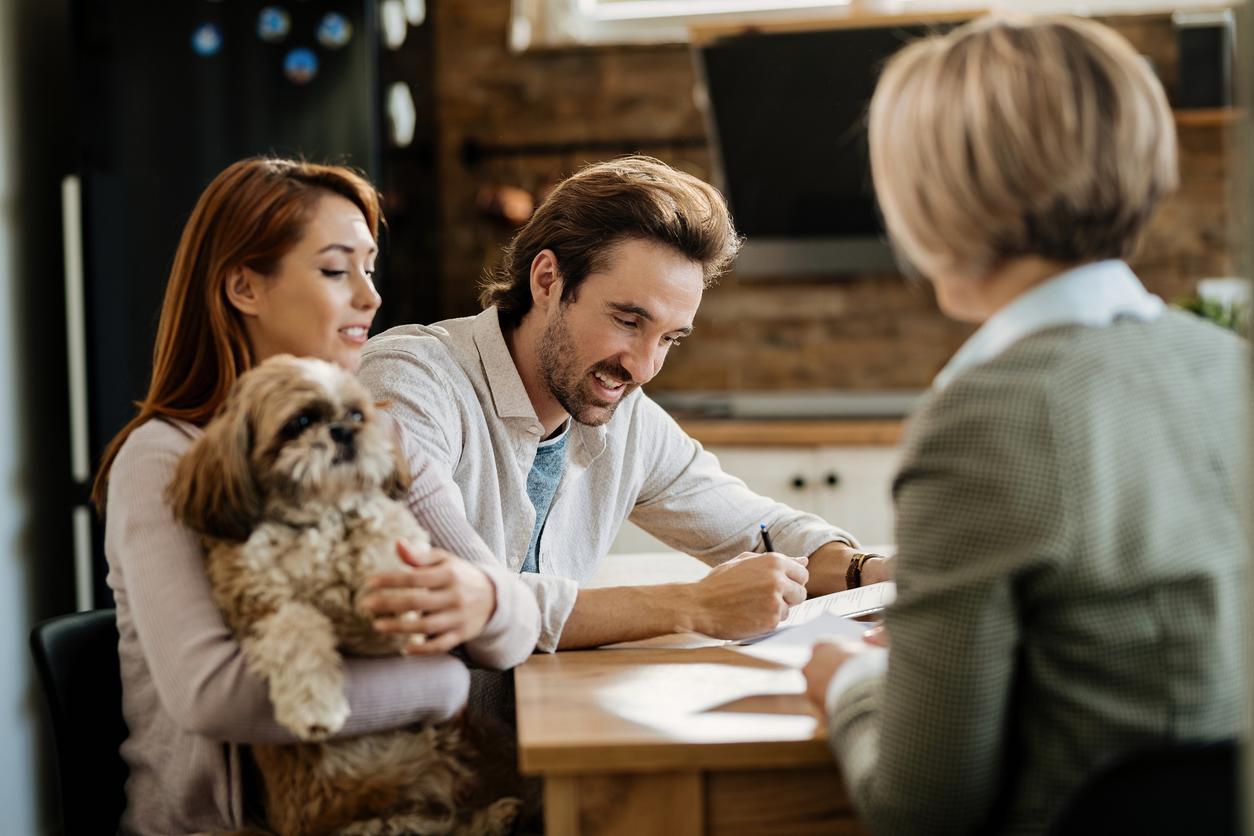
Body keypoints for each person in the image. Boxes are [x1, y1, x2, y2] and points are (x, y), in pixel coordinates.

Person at [801, 15, 1247, 835]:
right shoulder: (1227, 364)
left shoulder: (985, 419)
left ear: (934, 198)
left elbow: (923, 808)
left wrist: (849, 686)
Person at [92, 157, 540, 835]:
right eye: (337, 270)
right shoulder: (166, 456)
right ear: (245, 285)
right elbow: (215, 696)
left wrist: (485, 599)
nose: (371, 296)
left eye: (369, 267)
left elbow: (512, 624)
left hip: (408, 801)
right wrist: (444, 686)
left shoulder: (375, 431)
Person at [357, 155, 890, 654]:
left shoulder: (622, 415)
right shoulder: (412, 380)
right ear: (547, 280)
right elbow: (447, 599)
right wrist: (693, 605)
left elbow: (755, 528)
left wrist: (866, 572)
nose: (643, 367)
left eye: (669, 339)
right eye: (629, 321)